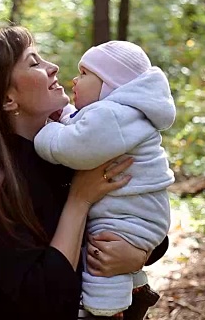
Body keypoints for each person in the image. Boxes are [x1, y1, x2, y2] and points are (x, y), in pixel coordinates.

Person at [0, 27, 164, 320]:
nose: (54, 67)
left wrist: (137, 256)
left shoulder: (73, 146)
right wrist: (80, 200)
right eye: (34, 63)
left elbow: (136, 208)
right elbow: (44, 298)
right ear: (7, 99)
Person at [34, 41, 176, 317]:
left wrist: (46, 131)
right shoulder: (116, 115)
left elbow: (73, 146)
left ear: (110, 85)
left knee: (103, 260)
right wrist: (60, 119)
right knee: (107, 255)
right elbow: (80, 125)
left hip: (129, 216)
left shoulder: (114, 115)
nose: (74, 79)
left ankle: (105, 311)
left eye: (85, 73)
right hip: (139, 213)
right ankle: (133, 292)